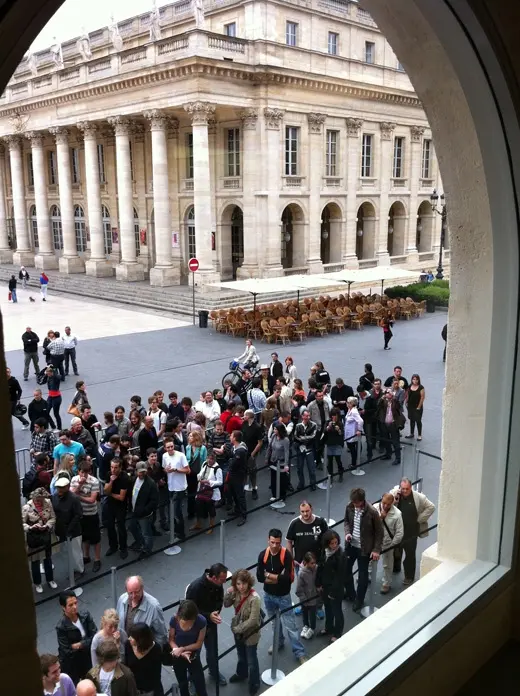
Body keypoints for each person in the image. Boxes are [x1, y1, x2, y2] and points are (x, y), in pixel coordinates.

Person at [256, 529, 307, 664]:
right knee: (274, 622)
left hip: (283, 596)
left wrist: (269, 575)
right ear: (268, 540)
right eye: (272, 542)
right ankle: (278, 642)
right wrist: (276, 577)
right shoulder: (263, 555)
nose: (274, 546)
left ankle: (299, 652)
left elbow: (288, 578)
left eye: (277, 543)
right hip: (268, 595)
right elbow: (260, 577)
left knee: (290, 624)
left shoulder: (286, 555)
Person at [185, 563, 229, 686]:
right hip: (195, 628)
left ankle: (214, 672)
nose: (224, 582)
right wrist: (209, 615)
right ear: (214, 577)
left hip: (210, 625)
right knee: (194, 655)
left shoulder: (218, 584)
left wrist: (216, 612)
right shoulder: (195, 587)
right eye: (222, 579)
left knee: (213, 651)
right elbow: (189, 610)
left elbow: (220, 600)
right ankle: (193, 681)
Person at [343, 488, 383, 612]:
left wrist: (376, 549)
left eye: (357, 503)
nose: (355, 505)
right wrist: (348, 533)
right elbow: (346, 522)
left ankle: (359, 600)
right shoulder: (349, 507)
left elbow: (379, 532)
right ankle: (351, 594)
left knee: (363, 575)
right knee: (345, 569)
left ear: (362, 501)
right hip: (351, 545)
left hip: (364, 549)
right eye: (353, 502)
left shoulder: (372, 512)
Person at [390, 478, 436, 585]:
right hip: (397, 530)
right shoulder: (396, 493)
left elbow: (431, 507)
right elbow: (387, 501)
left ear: (411, 487)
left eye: (407, 489)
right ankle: (396, 567)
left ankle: (409, 577)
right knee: (396, 550)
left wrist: (420, 519)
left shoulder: (418, 497)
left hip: (411, 532)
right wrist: (394, 499)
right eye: (403, 488)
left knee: (410, 555)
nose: (405, 491)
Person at [223, 569, 262, 696]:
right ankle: (241, 673)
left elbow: (253, 620)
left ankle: (254, 683)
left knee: (251, 659)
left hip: (251, 633)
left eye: (243, 584)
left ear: (248, 583)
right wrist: (229, 593)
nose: (241, 587)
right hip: (238, 630)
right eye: (238, 584)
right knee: (241, 654)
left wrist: (237, 629)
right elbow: (227, 604)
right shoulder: (236, 593)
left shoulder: (254, 598)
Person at [56, 590, 97, 685]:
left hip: (88, 658)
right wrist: (87, 642)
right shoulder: (61, 627)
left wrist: (80, 644)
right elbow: (67, 651)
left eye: (75, 603)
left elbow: (95, 636)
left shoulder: (85, 615)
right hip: (73, 665)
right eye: (70, 605)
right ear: (63, 607)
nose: (74, 607)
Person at [168, 600, 208, 696]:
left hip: (192, 655)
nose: (187, 626)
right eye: (184, 622)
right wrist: (180, 652)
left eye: (190, 623)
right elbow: (171, 640)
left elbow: (198, 643)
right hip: (178, 655)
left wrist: (183, 649)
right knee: (182, 684)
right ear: (179, 617)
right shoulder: (174, 620)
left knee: (200, 683)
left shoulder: (201, 621)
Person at [22, 487, 57, 593]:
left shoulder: (48, 503)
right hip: (34, 536)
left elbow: (53, 517)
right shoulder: (27, 507)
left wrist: (47, 525)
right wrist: (30, 528)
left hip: (45, 534)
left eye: (42, 499)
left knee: (48, 558)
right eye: (38, 499)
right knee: (35, 561)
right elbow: (22, 523)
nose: (40, 502)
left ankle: (50, 579)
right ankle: (37, 583)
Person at [117, 576, 168, 646]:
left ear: (142, 588)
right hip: (125, 647)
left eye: (137, 592)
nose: (133, 596)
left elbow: (161, 634)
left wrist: (156, 652)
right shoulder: (122, 599)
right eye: (130, 593)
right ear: (126, 590)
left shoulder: (154, 606)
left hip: (143, 651)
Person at [70, 459, 101, 571]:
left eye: (86, 472)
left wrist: (79, 497)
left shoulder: (94, 481)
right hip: (80, 514)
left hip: (91, 513)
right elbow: (71, 495)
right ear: (78, 471)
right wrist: (79, 486)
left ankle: (97, 559)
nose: (84, 475)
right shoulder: (74, 480)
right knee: (84, 537)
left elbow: (92, 500)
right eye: (82, 472)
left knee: (95, 538)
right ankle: (86, 556)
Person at [316, 530, 347, 643]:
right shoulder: (325, 552)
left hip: (335, 589)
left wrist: (333, 592)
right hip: (325, 586)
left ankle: (338, 633)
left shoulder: (341, 555)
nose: (334, 545)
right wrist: (318, 583)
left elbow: (340, 576)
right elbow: (320, 567)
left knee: (337, 610)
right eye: (331, 543)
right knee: (328, 609)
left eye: (336, 542)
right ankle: (329, 628)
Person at [52, 475, 84, 576]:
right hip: (61, 530)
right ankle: (72, 570)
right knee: (65, 552)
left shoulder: (74, 498)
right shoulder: (54, 497)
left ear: (67, 487)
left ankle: (79, 571)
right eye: (58, 488)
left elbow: (78, 515)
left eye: (62, 488)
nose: (59, 490)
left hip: (73, 532)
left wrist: (69, 529)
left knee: (76, 553)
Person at [374, 492, 404, 594]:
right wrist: (380, 517)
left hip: (388, 544)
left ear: (392, 503)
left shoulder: (397, 514)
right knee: (370, 561)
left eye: (388, 504)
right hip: (375, 542)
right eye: (384, 503)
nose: (386, 506)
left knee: (387, 564)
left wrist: (391, 545)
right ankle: (369, 575)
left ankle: (386, 583)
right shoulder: (375, 508)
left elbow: (399, 533)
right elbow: (369, 524)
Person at [286, 500, 328, 570]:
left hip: (318, 563)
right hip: (300, 564)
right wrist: (291, 560)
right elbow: (289, 541)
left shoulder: (320, 522)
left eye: (307, 511)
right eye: (302, 511)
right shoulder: (294, 524)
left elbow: (328, 539)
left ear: (311, 510)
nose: (305, 514)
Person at [128, 461, 158, 559]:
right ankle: (140, 543)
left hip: (144, 514)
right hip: (134, 511)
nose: (142, 474)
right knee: (132, 527)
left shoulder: (151, 483)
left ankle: (147, 550)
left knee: (146, 533)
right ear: (136, 471)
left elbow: (154, 501)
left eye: (143, 472)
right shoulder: (133, 480)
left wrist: (145, 510)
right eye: (140, 472)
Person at [125, 622, 164, 696]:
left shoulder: (156, 649)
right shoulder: (128, 645)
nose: (129, 638)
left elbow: (156, 675)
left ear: (140, 640)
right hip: (133, 689)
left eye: (132, 637)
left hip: (149, 690)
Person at [162, 437, 189, 540]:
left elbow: (187, 470)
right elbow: (165, 469)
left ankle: (181, 534)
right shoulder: (164, 456)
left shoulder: (181, 455)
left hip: (180, 487)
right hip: (171, 486)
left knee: (177, 512)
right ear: (165, 448)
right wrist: (167, 470)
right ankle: (175, 531)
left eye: (171, 446)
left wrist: (176, 470)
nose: (170, 449)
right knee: (171, 511)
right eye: (168, 447)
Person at [104, 458, 130, 559]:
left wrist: (110, 493)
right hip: (110, 504)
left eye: (115, 468)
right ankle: (113, 546)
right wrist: (111, 481)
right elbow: (106, 490)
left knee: (121, 527)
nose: (113, 470)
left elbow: (121, 497)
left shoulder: (124, 478)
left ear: (120, 467)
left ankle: (123, 548)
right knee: (110, 526)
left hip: (121, 505)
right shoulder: (108, 474)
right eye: (112, 467)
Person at [193, 452, 223, 534]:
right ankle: (198, 523)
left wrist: (208, 482)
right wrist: (199, 477)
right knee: (198, 506)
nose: (209, 460)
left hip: (211, 492)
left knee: (211, 508)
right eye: (208, 458)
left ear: (214, 459)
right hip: (201, 490)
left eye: (212, 459)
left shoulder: (217, 468)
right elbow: (200, 473)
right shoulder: (204, 464)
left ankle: (211, 526)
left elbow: (220, 482)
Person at [377, 390, 405, 465]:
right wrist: (382, 398)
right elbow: (378, 405)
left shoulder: (395, 401)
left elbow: (399, 405)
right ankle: (388, 454)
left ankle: (398, 458)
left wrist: (394, 397)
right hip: (384, 423)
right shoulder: (383, 401)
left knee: (395, 442)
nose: (388, 394)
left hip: (393, 424)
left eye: (389, 393)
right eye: (386, 393)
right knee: (386, 440)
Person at [241, 409, 264, 501]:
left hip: (252, 452)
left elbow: (260, 443)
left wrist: (253, 454)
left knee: (252, 471)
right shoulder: (244, 424)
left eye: (245, 415)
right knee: (244, 471)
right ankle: (243, 487)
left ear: (249, 416)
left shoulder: (257, 427)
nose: (243, 416)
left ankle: (254, 488)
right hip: (244, 451)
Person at [295, 551, 318, 639]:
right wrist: (304, 598)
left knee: (312, 614)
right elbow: (298, 589)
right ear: (306, 563)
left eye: (314, 562)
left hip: (313, 597)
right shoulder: (302, 573)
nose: (314, 565)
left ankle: (312, 628)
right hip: (305, 599)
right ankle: (306, 626)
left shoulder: (316, 568)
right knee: (304, 613)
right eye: (312, 563)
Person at [185, 430, 207, 521]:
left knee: (200, 493)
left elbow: (205, 461)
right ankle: (191, 512)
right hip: (190, 474)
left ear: (195, 437)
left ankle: (202, 511)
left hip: (199, 473)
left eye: (190, 436)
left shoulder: (202, 448)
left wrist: (203, 474)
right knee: (191, 493)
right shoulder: (188, 447)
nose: (189, 438)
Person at [228, 429, 248, 525]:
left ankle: (244, 515)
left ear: (235, 438)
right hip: (233, 475)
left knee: (240, 495)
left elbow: (233, 464)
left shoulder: (240, 451)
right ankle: (237, 509)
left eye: (231, 435)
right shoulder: (235, 448)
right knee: (234, 493)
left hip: (238, 476)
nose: (230, 437)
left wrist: (230, 462)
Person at [293, 410, 317, 490]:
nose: (307, 418)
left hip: (309, 448)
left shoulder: (314, 425)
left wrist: (302, 438)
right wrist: (306, 438)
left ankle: (313, 483)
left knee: (311, 468)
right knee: (299, 468)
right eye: (306, 416)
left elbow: (313, 436)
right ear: (302, 416)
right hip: (300, 449)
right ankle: (301, 483)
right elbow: (295, 436)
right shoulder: (298, 426)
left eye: (309, 416)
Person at [267, 422, 290, 502]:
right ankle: (274, 494)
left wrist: (286, 464)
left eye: (275, 429)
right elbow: (269, 447)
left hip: (281, 462)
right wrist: (267, 458)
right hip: (273, 460)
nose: (274, 430)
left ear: (279, 430)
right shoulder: (273, 436)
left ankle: (282, 496)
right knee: (273, 479)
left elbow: (287, 452)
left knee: (281, 480)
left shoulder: (285, 440)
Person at [308, 389, 330, 470]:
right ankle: (318, 461)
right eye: (319, 396)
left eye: (322, 396)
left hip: (325, 427)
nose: (321, 397)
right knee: (317, 445)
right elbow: (308, 417)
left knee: (324, 443)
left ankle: (322, 457)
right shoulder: (311, 405)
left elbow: (328, 413)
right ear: (315, 397)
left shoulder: (326, 403)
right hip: (316, 428)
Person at [362, 379, 383, 461]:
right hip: (371, 416)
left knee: (381, 431)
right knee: (373, 431)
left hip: (380, 415)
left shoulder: (383, 393)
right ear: (373, 385)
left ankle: (381, 446)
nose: (377, 385)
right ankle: (373, 444)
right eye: (375, 384)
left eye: (378, 384)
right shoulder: (369, 393)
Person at [344, 396, 364, 470]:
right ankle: (354, 461)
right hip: (349, 432)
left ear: (352, 404)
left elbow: (361, 421)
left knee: (352, 448)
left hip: (352, 433)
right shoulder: (350, 410)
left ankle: (354, 463)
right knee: (351, 447)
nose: (347, 403)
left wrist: (359, 430)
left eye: (348, 402)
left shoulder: (354, 411)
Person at [325, 407, 344, 481]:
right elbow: (324, 431)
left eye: (335, 415)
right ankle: (331, 475)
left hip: (337, 444)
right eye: (333, 415)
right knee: (329, 461)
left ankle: (340, 474)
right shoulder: (328, 422)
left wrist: (338, 430)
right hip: (329, 444)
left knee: (338, 460)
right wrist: (328, 427)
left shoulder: (340, 423)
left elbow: (342, 433)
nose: (334, 417)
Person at [405, 373, 426, 440]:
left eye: (416, 379)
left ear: (418, 380)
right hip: (410, 406)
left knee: (418, 420)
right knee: (412, 420)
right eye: (414, 379)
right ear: (412, 380)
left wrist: (419, 406)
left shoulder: (421, 387)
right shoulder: (409, 386)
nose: (415, 380)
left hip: (417, 407)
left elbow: (422, 397)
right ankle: (412, 433)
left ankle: (419, 435)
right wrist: (406, 402)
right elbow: (408, 394)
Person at [46, 366, 63, 430]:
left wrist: (54, 370)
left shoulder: (56, 377)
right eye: (47, 373)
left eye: (48, 373)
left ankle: (59, 428)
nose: (47, 374)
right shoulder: (48, 377)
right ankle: (53, 425)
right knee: (46, 412)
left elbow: (60, 377)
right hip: (50, 396)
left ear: (51, 372)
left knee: (56, 413)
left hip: (56, 398)